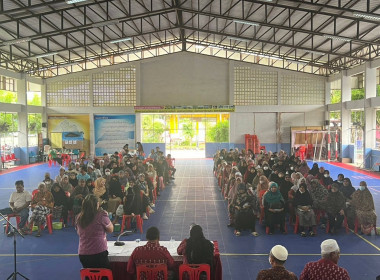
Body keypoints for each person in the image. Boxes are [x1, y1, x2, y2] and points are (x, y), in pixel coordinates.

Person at [76, 194, 113, 269]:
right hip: (98, 253)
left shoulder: (79, 217)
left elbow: (79, 233)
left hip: (83, 254)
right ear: (97, 204)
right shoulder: (101, 215)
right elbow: (111, 229)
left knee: (89, 275)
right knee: (104, 274)